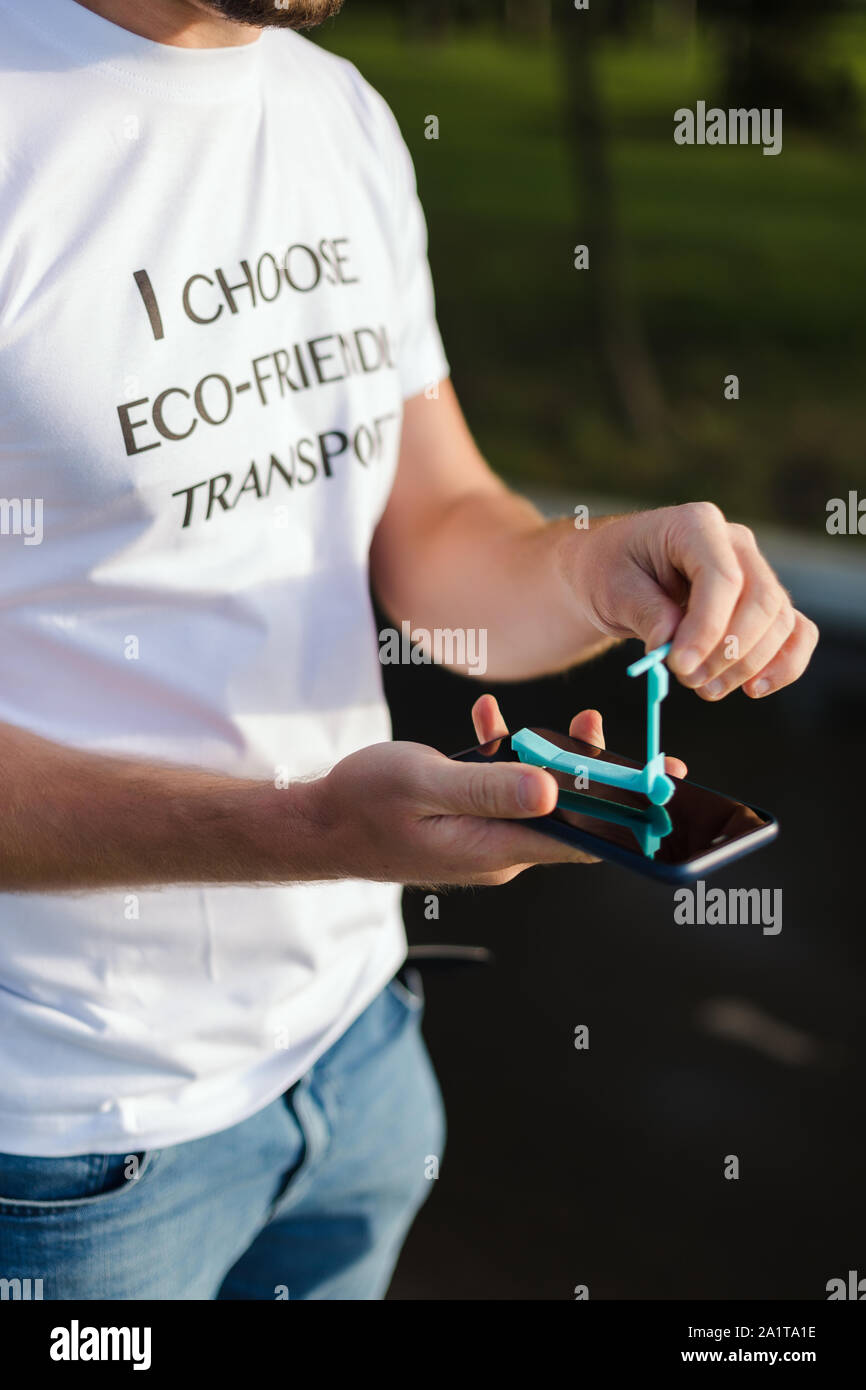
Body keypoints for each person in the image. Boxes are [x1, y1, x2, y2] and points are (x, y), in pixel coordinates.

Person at [0, 0, 817, 1301]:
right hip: (58, 1142)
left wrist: (593, 568)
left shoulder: (338, 112)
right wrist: (307, 831)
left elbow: (436, 532)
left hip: (355, 1047)